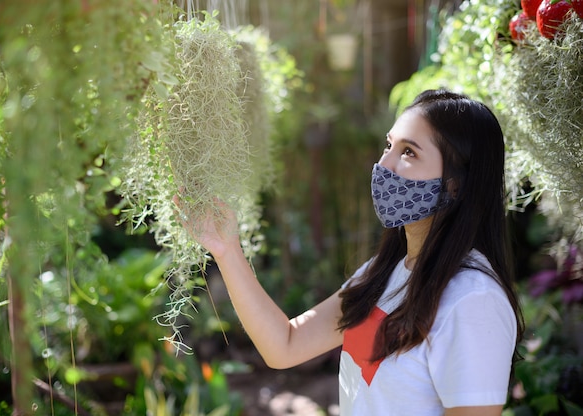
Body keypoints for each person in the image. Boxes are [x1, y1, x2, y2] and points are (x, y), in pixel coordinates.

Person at [177, 89, 524, 415]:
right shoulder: (383, 273)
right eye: (388, 146)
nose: (384, 165)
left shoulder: (472, 301)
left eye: (409, 152)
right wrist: (226, 249)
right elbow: (284, 345)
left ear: (455, 185)